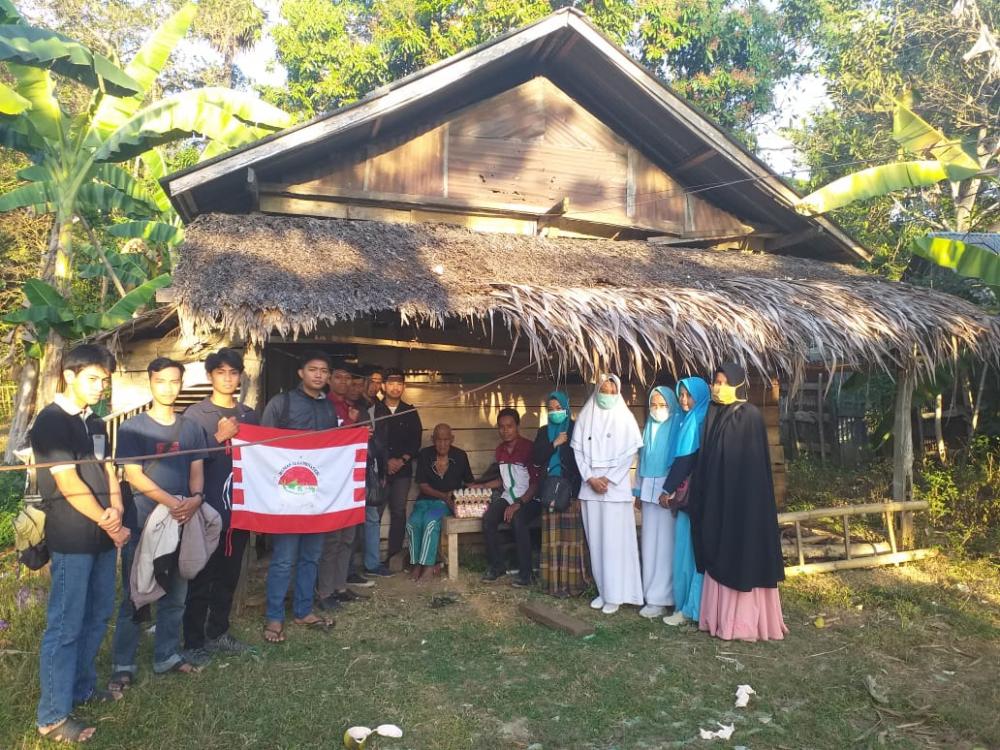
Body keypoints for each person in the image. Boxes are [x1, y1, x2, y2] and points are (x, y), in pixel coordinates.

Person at [31, 344, 129, 744]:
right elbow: (68, 482)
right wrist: (109, 520)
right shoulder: (51, 421)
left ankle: (82, 687)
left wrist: (118, 508)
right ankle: (52, 716)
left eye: (104, 380)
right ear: (68, 376)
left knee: (97, 614)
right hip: (72, 537)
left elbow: (106, 468)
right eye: (92, 378)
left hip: (103, 536)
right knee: (65, 625)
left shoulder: (95, 421)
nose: (99, 387)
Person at [111, 358, 209, 688]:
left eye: (174, 381)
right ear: (150, 383)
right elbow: (134, 475)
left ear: (181, 384)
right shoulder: (133, 428)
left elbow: (197, 466)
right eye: (161, 381)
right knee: (135, 594)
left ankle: (166, 655)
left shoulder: (192, 428)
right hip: (144, 521)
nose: (168, 388)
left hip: (183, 519)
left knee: (176, 594)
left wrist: (195, 498)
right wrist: (173, 503)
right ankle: (123, 662)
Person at [691, 363, 788, 641]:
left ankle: (744, 622)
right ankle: (719, 618)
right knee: (717, 547)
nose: (717, 387)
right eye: (715, 382)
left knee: (741, 552)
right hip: (717, 499)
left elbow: (747, 467)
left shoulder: (749, 416)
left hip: (743, 504)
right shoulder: (715, 413)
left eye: (723, 382)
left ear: (736, 385)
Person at [181, 348, 259, 659]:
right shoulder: (195, 415)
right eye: (221, 372)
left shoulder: (250, 414)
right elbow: (186, 460)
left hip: (239, 510)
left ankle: (219, 632)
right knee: (202, 575)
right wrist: (219, 437)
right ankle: (193, 641)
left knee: (229, 575)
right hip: (206, 509)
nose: (228, 378)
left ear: (241, 376)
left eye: (233, 372)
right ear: (210, 376)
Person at [259, 351, 338, 642]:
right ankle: (274, 617)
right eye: (313, 369)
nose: (319, 375)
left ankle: (304, 610)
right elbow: (264, 449)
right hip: (288, 495)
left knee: (311, 557)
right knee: (283, 559)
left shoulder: (329, 408)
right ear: (301, 373)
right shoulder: (281, 403)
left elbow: (333, 450)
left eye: (324, 371)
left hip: (317, 497)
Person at [572, 375, 643, 615]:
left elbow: (629, 454)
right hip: (590, 488)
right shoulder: (585, 416)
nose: (607, 394)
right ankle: (604, 591)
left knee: (614, 543)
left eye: (612, 391)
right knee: (597, 542)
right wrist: (590, 478)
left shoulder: (625, 418)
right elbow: (578, 451)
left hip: (615, 489)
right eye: (603, 389)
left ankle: (617, 594)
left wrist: (609, 479)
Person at [659, 377, 710, 627]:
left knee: (688, 553)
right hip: (696, 496)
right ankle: (689, 605)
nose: (683, 400)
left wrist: (667, 489)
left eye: (688, 395)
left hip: (693, 498)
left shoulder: (696, 422)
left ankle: (690, 607)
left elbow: (685, 460)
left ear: (699, 396)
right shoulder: (695, 419)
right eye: (681, 395)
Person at [475, 408, 541, 585]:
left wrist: (518, 504)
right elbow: (503, 480)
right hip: (508, 496)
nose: (505, 430)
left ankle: (526, 574)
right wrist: (481, 486)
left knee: (518, 520)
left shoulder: (528, 448)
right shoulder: (500, 451)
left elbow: (535, 483)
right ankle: (497, 566)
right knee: (488, 519)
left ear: (517, 427)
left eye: (509, 426)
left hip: (530, 499)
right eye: (501, 427)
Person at [532, 391, 588, 598]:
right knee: (552, 540)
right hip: (549, 492)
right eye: (551, 409)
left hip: (571, 492)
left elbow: (583, 463)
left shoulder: (576, 429)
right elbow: (536, 459)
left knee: (571, 540)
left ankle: (573, 585)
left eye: (559, 408)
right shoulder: (544, 432)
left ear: (567, 408)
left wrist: (581, 493)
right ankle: (553, 585)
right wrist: (554, 443)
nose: (555, 412)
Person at [635, 386, 683, 619]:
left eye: (662, 405)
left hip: (667, 493)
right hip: (648, 492)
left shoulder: (677, 427)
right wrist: (637, 491)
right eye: (653, 404)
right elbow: (642, 461)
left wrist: (671, 490)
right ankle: (649, 594)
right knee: (649, 544)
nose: (657, 409)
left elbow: (679, 464)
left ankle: (663, 598)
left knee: (665, 545)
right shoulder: (649, 429)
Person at [371, 368, 422, 574]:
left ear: (404, 386)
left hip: (402, 470)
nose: (395, 387)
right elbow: (372, 440)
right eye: (390, 383)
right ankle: (371, 558)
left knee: (399, 512)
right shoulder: (375, 409)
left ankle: (393, 556)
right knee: (375, 513)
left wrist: (401, 460)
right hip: (379, 471)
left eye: (399, 383)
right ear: (383, 386)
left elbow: (415, 441)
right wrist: (386, 462)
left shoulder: (410, 411)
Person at [409, 424, 473, 581]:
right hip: (424, 501)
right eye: (438, 440)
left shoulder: (460, 456)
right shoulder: (425, 455)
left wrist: (462, 499)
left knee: (430, 522)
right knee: (413, 523)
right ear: (433, 440)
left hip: (444, 505)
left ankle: (428, 566)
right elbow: (423, 485)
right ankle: (416, 564)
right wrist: (444, 495)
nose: (442, 444)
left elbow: (470, 483)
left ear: (451, 439)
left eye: (446, 440)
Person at [327, 359, 354, 426]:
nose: (343, 381)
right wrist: (351, 421)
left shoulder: (350, 405)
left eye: (348, 378)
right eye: (338, 377)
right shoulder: (323, 405)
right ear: (328, 380)